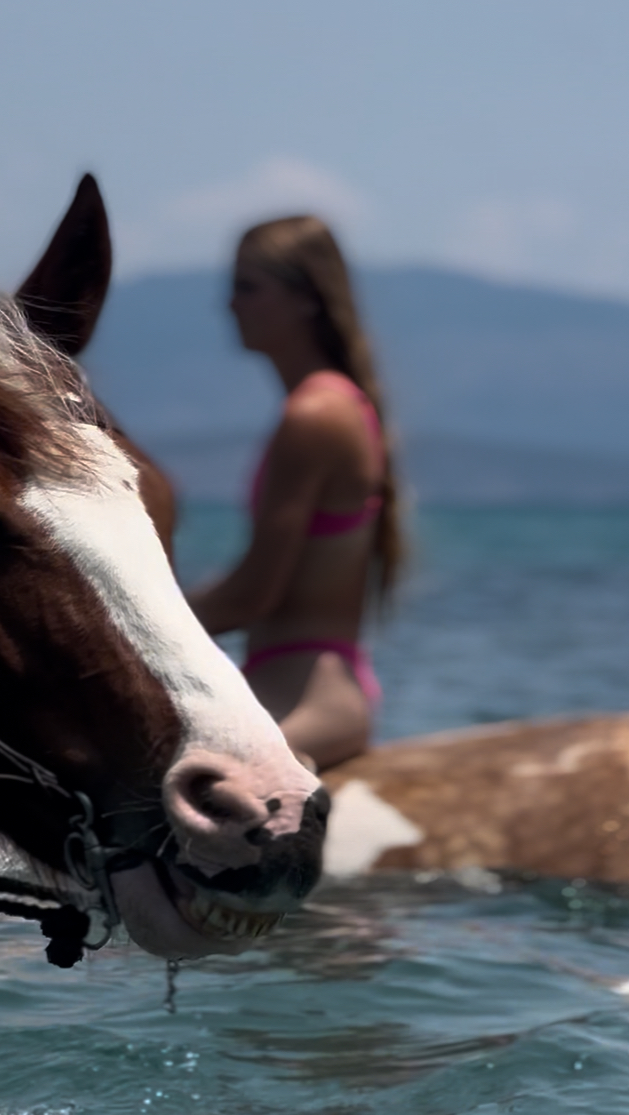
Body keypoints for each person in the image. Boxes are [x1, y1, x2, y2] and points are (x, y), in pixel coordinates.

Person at [187, 215, 403, 770]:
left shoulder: (315, 413)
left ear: (306, 298)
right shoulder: (331, 405)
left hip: (312, 696)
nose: (228, 304)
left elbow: (251, 594)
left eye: (247, 287)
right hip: (294, 682)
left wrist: (129, 624)